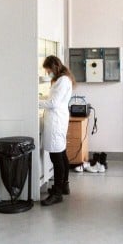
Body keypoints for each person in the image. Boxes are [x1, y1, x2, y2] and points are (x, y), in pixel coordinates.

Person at [39, 55, 75, 206]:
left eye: (48, 70)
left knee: (56, 157)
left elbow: (53, 103)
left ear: (54, 67)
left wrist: (36, 101)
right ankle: (64, 185)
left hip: (56, 121)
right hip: (58, 120)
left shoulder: (63, 81)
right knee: (61, 154)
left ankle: (57, 193)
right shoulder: (63, 79)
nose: (48, 73)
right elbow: (55, 99)